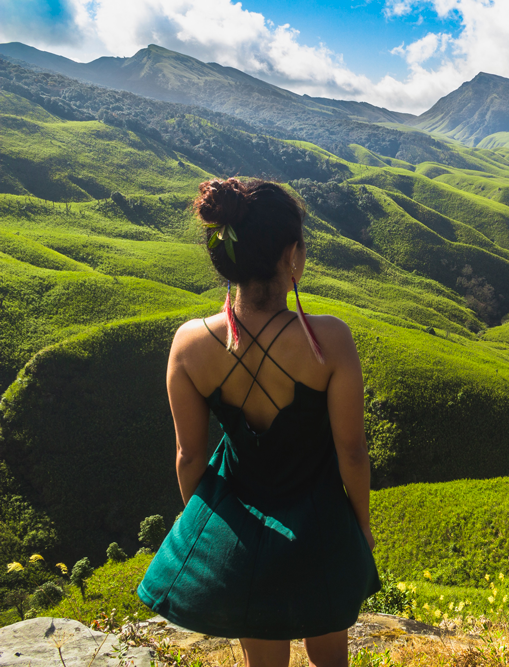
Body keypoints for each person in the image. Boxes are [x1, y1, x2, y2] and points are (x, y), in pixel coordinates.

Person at [138, 177, 380, 667]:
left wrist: (212, 531)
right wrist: (361, 525)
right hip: (322, 523)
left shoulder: (189, 344)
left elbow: (189, 458)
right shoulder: (331, 339)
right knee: (332, 658)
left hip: (242, 525)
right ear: (292, 256)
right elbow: (352, 452)